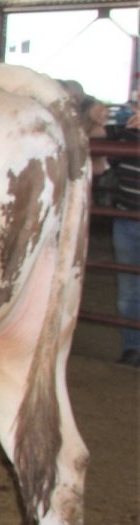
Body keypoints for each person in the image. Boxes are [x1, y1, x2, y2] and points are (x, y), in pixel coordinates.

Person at [110, 96, 140, 366]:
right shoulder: (129, 129)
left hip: (127, 219)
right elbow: (110, 161)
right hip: (125, 217)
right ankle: (132, 347)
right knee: (129, 288)